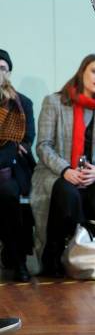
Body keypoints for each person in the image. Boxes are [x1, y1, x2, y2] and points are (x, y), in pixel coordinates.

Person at [31, 54, 95, 276]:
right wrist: (66, 170)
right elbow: (43, 146)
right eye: (94, 71)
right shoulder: (54, 102)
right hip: (57, 171)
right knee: (67, 193)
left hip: (94, 173)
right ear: (82, 73)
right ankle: (55, 258)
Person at [0, 49, 35, 282]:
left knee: (9, 194)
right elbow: (15, 146)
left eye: (2, 68)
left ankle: (18, 258)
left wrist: (11, 150)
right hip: (8, 160)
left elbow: (27, 140)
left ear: (9, 72)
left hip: (12, 170)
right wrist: (10, 148)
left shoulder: (22, 103)